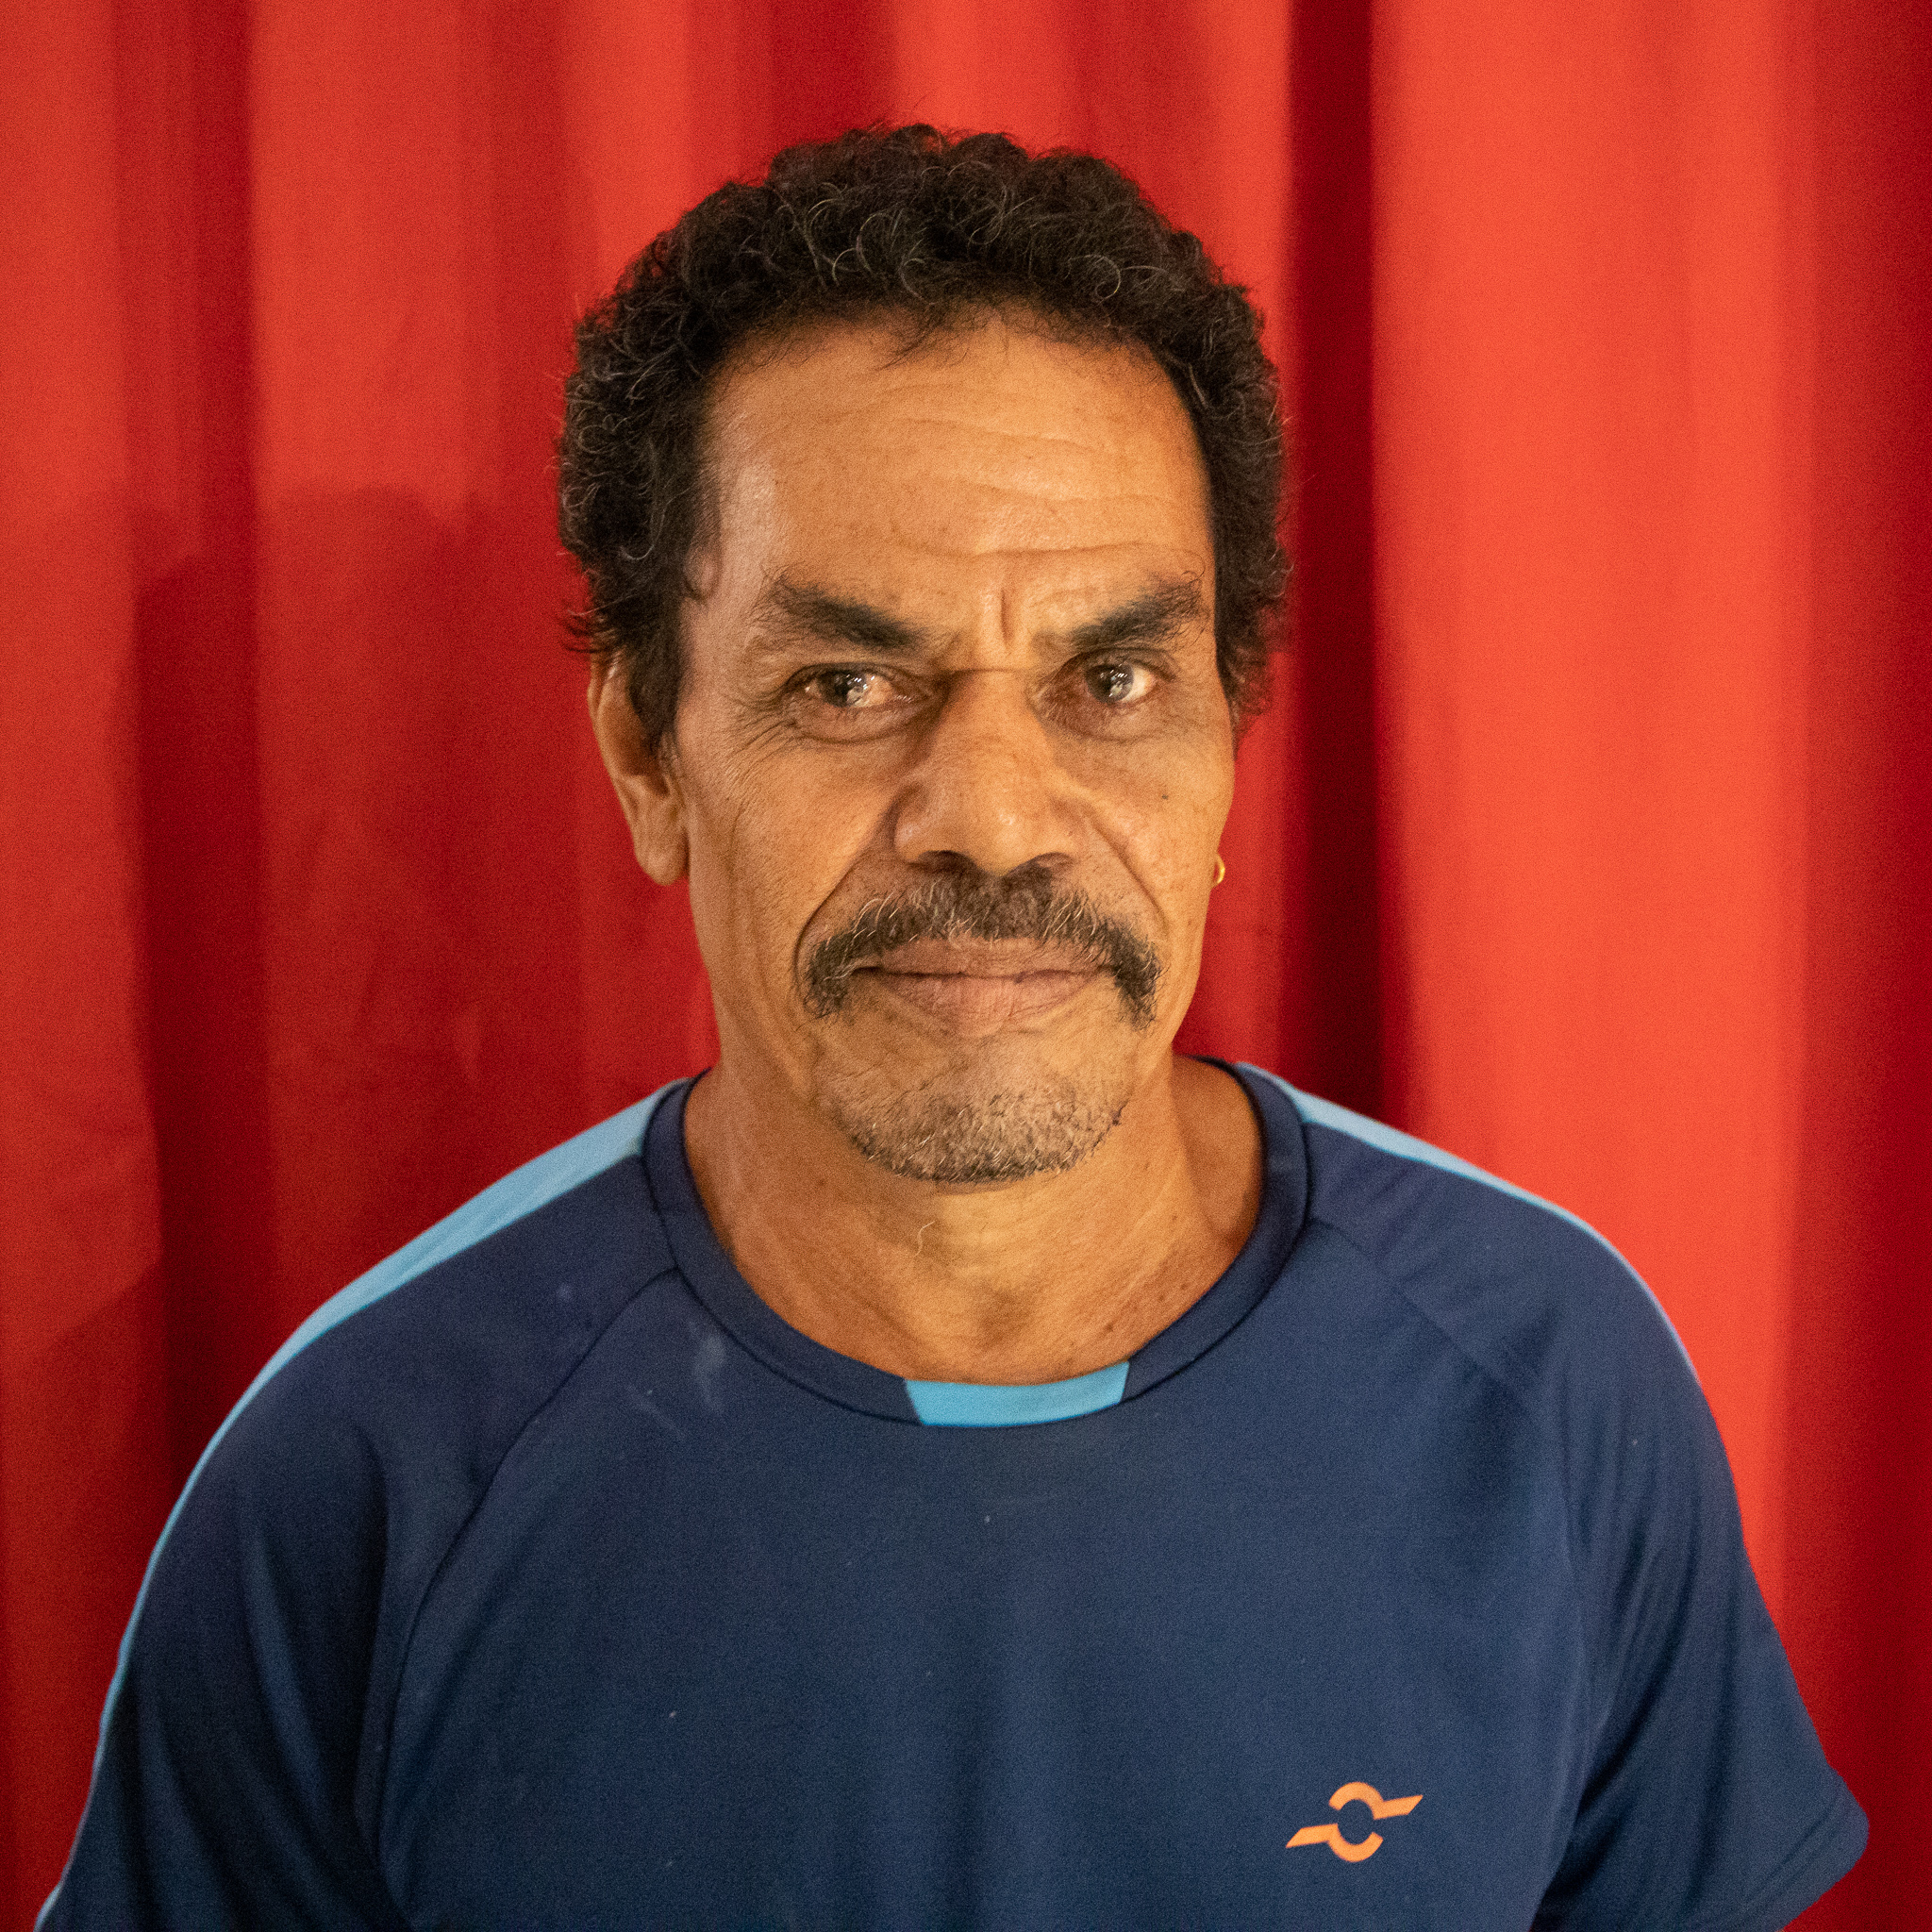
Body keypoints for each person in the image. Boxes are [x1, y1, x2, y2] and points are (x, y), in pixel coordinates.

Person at [45, 126, 1862, 1929]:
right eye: (848, 683)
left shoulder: (1548, 1379)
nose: (992, 819)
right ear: (649, 757)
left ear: (1228, 750)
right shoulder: (364, 1474)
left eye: (1113, 679)